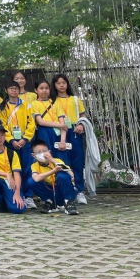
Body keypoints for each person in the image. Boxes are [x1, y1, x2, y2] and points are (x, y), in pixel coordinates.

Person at [51, 73, 88, 205]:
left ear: (67, 84)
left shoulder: (75, 99)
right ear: (54, 85)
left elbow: (83, 115)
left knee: (77, 160)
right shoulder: (51, 100)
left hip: (74, 131)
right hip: (58, 131)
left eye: (64, 83)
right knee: (61, 161)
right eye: (58, 83)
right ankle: (64, 191)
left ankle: (79, 190)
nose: (61, 85)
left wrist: (81, 125)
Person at [0, 81, 36, 209]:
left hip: (25, 142)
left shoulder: (26, 105)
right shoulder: (2, 107)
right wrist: (11, 140)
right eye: (11, 88)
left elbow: (31, 123)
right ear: (6, 90)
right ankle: (17, 194)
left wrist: (25, 139)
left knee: (27, 168)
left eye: (16, 88)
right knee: (14, 170)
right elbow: (3, 125)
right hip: (11, 143)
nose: (14, 90)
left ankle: (29, 196)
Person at [28, 140, 79, 215]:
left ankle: (68, 202)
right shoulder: (34, 165)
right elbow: (36, 178)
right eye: (39, 152)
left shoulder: (57, 161)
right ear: (33, 155)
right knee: (31, 181)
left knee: (62, 175)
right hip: (50, 191)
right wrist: (54, 171)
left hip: (62, 190)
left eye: (44, 151)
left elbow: (70, 173)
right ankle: (49, 202)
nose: (43, 154)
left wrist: (52, 160)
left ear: (49, 152)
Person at [30, 80, 67, 154]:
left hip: (58, 132)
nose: (44, 90)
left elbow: (63, 123)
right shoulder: (34, 104)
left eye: (46, 88)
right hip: (43, 131)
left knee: (60, 154)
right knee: (45, 154)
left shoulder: (55, 103)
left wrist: (63, 141)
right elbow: (40, 122)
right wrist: (60, 125)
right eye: (41, 88)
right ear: (36, 90)